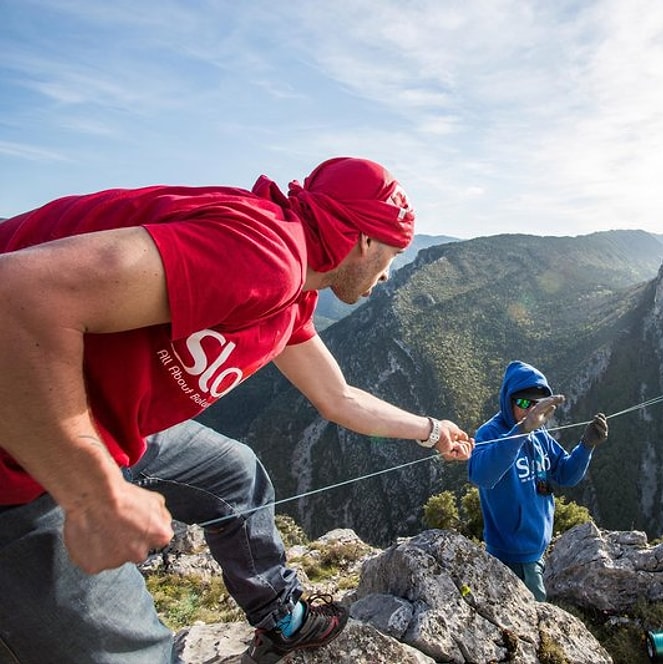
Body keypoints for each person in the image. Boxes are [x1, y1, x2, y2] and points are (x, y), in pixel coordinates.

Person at [0, 156, 474, 664]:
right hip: (25, 453)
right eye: (394, 252)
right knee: (140, 657)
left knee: (235, 474)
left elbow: (339, 397)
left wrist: (430, 430)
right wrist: (92, 490)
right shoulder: (266, 255)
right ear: (363, 240)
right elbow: (16, 296)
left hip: (97, 425)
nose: (390, 273)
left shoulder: (290, 292)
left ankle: (279, 618)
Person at [468, 361, 608, 602]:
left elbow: (565, 474)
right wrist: (522, 430)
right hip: (509, 556)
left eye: (536, 405)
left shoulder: (539, 433)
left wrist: (586, 446)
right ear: (507, 400)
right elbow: (481, 475)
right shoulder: (490, 433)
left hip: (535, 554)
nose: (530, 411)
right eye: (523, 403)